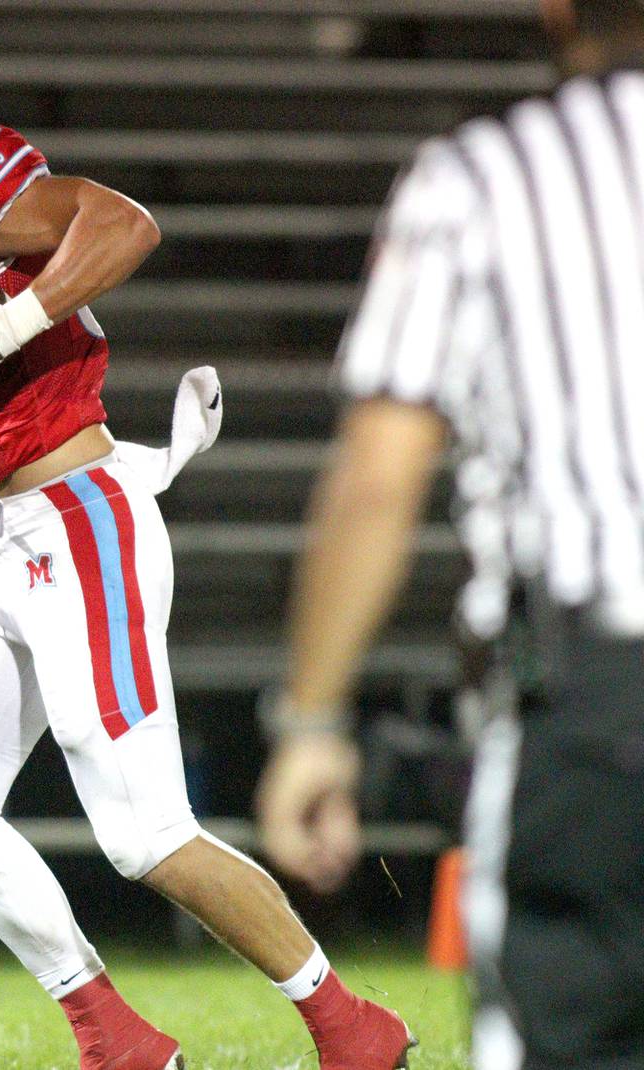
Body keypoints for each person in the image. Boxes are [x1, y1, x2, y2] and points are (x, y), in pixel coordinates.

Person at [0, 22, 414, 1070]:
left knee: (145, 834)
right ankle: (117, 1037)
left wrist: (13, 323)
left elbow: (123, 224)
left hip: (78, 514)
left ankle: (351, 1026)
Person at [256, 2, 644, 1067]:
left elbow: (380, 475)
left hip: (602, 687)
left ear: (557, 12)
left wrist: (312, 718)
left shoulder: (487, 175)